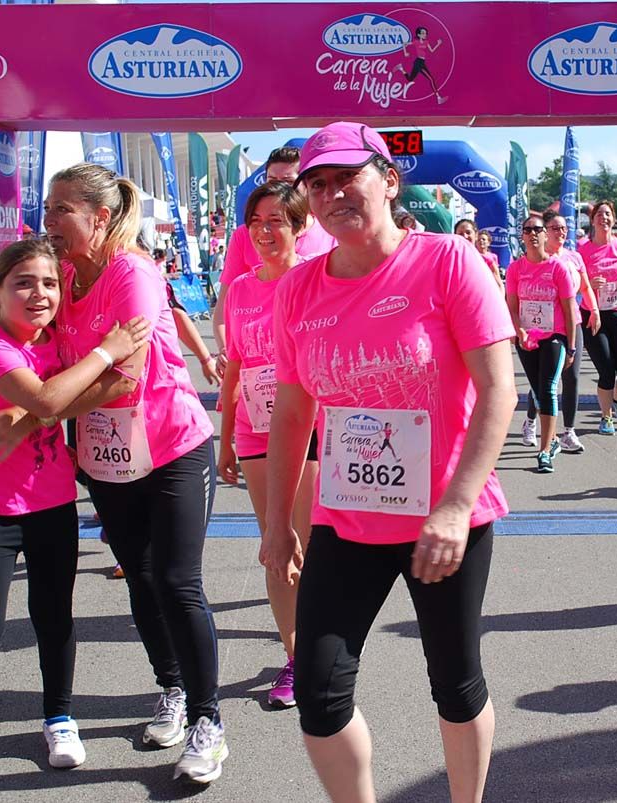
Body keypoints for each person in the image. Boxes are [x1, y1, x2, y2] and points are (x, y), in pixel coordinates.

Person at [265, 121, 514, 803]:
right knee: (319, 693)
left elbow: (499, 388)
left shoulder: (446, 262)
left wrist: (457, 506)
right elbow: (292, 415)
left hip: (444, 519)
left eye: (347, 176)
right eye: (317, 183)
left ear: (389, 179)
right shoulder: (298, 290)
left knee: (456, 682)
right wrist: (273, 525)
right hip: (347, 522)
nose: (332, 192)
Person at [0, 165, 228, 783]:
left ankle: (209, 722)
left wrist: (27, 418)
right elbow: (28, 345)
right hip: (106, 455)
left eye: (60, 210)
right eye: (48, 208)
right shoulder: (64, 280)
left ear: (99, 218)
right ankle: (174, 690)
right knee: (139, 576)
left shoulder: (132, 272)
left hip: (173, 447)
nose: (47, 221)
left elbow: (120, 375)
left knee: (178, 580)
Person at [0, 239, 151, 803]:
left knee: (54, 618)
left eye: (49, 283)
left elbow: (112, 385)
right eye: (23, 283)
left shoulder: (59, 344)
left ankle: (59, 718)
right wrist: (108, 350)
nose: (39, 293)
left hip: (51, 509)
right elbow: (50, 401)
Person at [217, 181, 321, 709]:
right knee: (275, 546)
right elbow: (235, 364)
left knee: (307, 544)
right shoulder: (239, 288)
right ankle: (296, 656)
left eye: (277, 220)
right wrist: (226, 439)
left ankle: (320, 651)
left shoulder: (317, 279)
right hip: (255, 428)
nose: (264, 230)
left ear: (301, 226)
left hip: (308, 425)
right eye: (256, 221)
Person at [216, 147, 336, 372]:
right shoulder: (246, 235)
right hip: (258, 371)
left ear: (305, 184)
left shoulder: (330, 232)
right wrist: (226, 352)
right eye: (272, 179)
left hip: (310, 362)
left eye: (288, 180)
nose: (279, 187)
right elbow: (224, 309)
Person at [519, 211, 600, 454]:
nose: (561, 232)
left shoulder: (573, 258)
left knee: (571, 377)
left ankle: (568, 432)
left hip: (571, 321)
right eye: (555, 228)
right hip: (540, 327)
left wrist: (594, 310)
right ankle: (531, 421)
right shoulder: (535, 258)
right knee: (543, 382)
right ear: (545, 232)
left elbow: (585, 286)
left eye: (564, 228)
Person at [507, 213, 577, 472]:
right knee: (537, 391)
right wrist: (520, 331)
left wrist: (571, 346)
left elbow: (570, 308)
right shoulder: (516, 269)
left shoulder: (557, 267)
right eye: (527, 230)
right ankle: (554, 439)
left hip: (554, 336)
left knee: (547, 388)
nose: (532, 234)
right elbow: (512, 306)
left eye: (537, 229)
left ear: (545, 235)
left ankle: (544, 451)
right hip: (527, 338)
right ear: (522, 237)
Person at [578, 200, 617, 435]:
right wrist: (589, 285)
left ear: (614, 220)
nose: (604, 218)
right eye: (599, 214)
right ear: (592, 220)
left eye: (608, 214)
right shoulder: (583, 249)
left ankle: (616, 397)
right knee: (606, 369)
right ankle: (606, 417)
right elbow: (574, 283)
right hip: (593, 314)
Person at [394, 27, 446, 104]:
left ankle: (401, 68)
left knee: (410, 79)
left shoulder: (426, 42)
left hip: (421, 62)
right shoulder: (416, 42)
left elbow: (431, 50)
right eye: (423, 33)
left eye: (425, 33)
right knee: (431, 79)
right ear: (419, 34)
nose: (425, 34)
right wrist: (405, 53)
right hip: (419, 63)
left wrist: (438, 44)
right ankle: (439, 98)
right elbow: (404, 44)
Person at [457, 218, 504, 292]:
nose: (465, 236)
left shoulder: (486, 260)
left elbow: (499, 285)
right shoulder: (451, 260)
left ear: (475, 235)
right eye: (460, 234)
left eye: (468, 232)